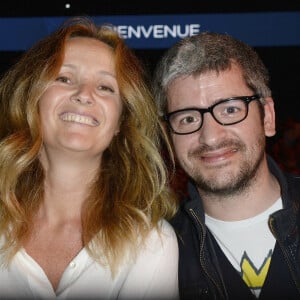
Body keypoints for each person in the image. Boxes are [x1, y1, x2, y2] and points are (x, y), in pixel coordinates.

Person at [0, 16, 179, 299]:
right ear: (32, 99)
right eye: (65, 78)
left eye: (105, 87)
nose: (84, 94)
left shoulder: (152, 244)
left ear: (121, 120)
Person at [153, 31, 300, 299]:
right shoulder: (155, 254)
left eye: (230, 110)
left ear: (267, 116)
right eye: (187, 119)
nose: (210, 137)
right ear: (169, 136)